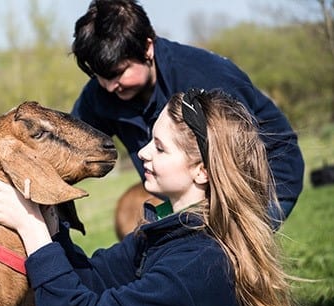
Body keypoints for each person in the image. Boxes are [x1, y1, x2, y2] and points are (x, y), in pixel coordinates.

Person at [0, 89, 299, 306]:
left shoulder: (196, 266)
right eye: (150, 139)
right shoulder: (171, 233)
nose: (142, 153)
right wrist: (50, 225)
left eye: (160, 148)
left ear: (201, 171)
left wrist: (32, 230)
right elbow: (93, 279)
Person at [70, 0, 304, 228]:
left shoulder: (205, 78)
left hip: (259, 181)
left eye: (118, 73)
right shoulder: (100, 94)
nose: (110, 86)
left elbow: (238, 162)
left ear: (147, 48)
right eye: (99, 76)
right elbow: (68, 145)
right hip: (191, 195)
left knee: (219, 257)